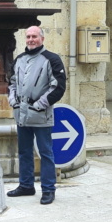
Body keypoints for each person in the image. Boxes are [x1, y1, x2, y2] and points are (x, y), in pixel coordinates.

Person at [7, 25, 66, 205]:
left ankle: (48, 189)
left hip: (41, 115)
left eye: (34, 36)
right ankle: (26, 185)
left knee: (45, 152)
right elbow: (12, 82)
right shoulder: (19, 59)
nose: (31, 40)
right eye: (28, 37)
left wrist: (40, 105)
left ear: (42, 38)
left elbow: (58, 87)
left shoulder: (52, 59)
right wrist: (12, 100)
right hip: (22, 115)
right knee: (24, 152)